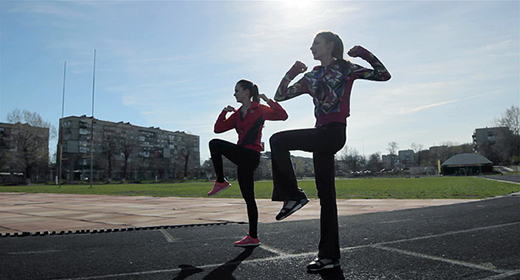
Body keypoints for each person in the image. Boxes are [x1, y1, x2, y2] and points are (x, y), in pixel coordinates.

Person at [269, 31, 391, 272]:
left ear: (330, 46)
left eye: (316, 43)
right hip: (320, 135)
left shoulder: (346, 68)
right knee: (327, 198)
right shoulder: (311, 76)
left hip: (333, 133)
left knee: (277, 140)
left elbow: (384, 75)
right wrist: (292, 72)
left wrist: (364, 54)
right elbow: (280, 96)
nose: (311, 47)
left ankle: (293, 195)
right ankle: (328, 257)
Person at [208, 79, 288, 247]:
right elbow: (218, 128)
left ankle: (221, 181)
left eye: (237, 90)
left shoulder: (259, 109)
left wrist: (269, 101)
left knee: (214, 143)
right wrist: (224, 112)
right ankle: (253, 236)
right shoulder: (237, 114)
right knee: (249, 199)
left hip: (251, 155)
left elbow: (283, 116)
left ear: (246, 92)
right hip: (242, 156)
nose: (234, 94)